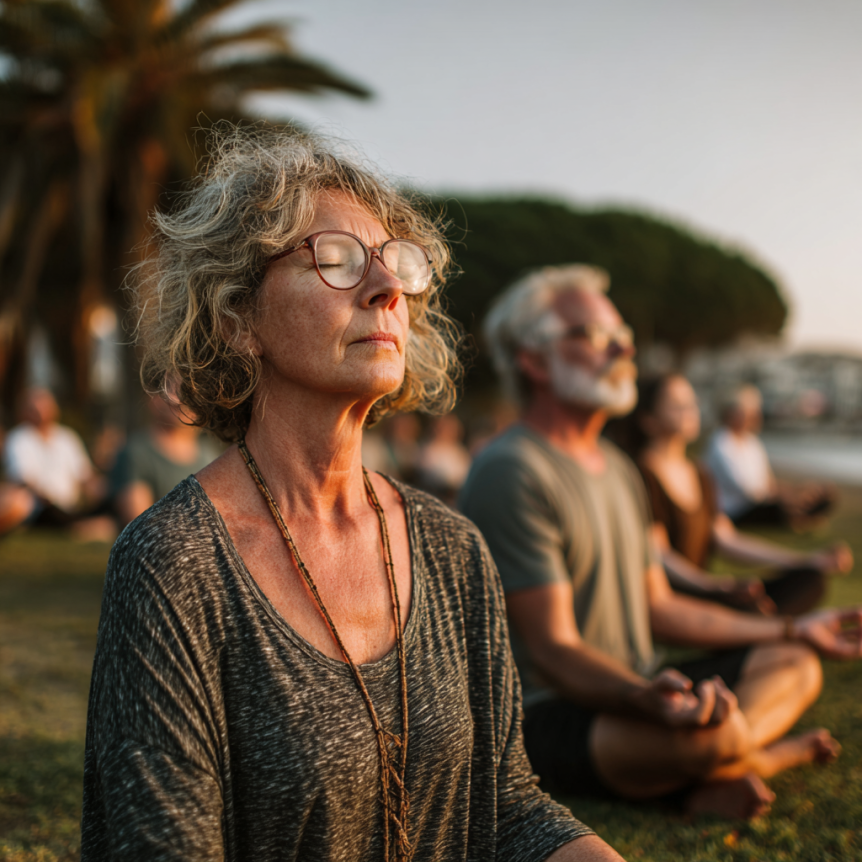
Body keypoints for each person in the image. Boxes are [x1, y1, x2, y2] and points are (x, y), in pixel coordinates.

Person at [81, 128, 619, 862]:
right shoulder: (173, 565)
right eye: (333, 261)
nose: (386, 288)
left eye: (396, 263)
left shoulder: (452, 549)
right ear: (238, 320)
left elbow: (506, 808)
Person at [459, 264, 862, 819]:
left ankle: (710, 766)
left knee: (796, 662)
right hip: (551, 712)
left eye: (622, 335)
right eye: (598, 336)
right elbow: (552, 652)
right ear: (533, 359)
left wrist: (792, 627)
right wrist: (642, 700)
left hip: (643, 683)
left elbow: (660, 606)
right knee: (713, 735)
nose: (623, 348)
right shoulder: (512, 469)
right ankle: (753, 759)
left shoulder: (620, 468)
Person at [631, 373, 852, 616]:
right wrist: (712, 585)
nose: (690, 410)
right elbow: (657, 554)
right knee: (757, 600)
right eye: (677, 405)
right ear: (648, 420)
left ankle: (756, 623)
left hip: (706, 589)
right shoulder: (640, 475)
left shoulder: (699, 474)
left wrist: (802, 561)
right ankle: (758, 625)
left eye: (691, 403)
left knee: (809, 579)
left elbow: (727, 539)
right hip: (674, 595)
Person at [706, 384, 835, 528]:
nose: (757, 415)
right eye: (751, 411)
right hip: (734, 510)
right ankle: (800, 515)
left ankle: (802, 512)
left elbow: (766, 482)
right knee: (781, 507)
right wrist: (788, 496)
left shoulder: (751, 442)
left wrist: (796, 490)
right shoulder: (721, 443)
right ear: (732, 413)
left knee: (798, 500)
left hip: (755, 503)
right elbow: (749, 491)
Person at [3, 387, 113, 538]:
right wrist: (49, 501)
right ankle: (78, 527)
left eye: (45, 406)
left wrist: (105, 490)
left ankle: (80, 525)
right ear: (25, 411)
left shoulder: (67, 437)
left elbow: (85, 476)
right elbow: (24, 479)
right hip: (40, 507)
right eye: (35, 408)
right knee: (23, 502)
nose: (41, 412)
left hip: (68, 507)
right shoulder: (19, 438)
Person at [111, 394, 221, 527]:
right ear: (154, 400)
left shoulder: (210, 455)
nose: (182, 401)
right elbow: (140, 522)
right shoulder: (136, 452)